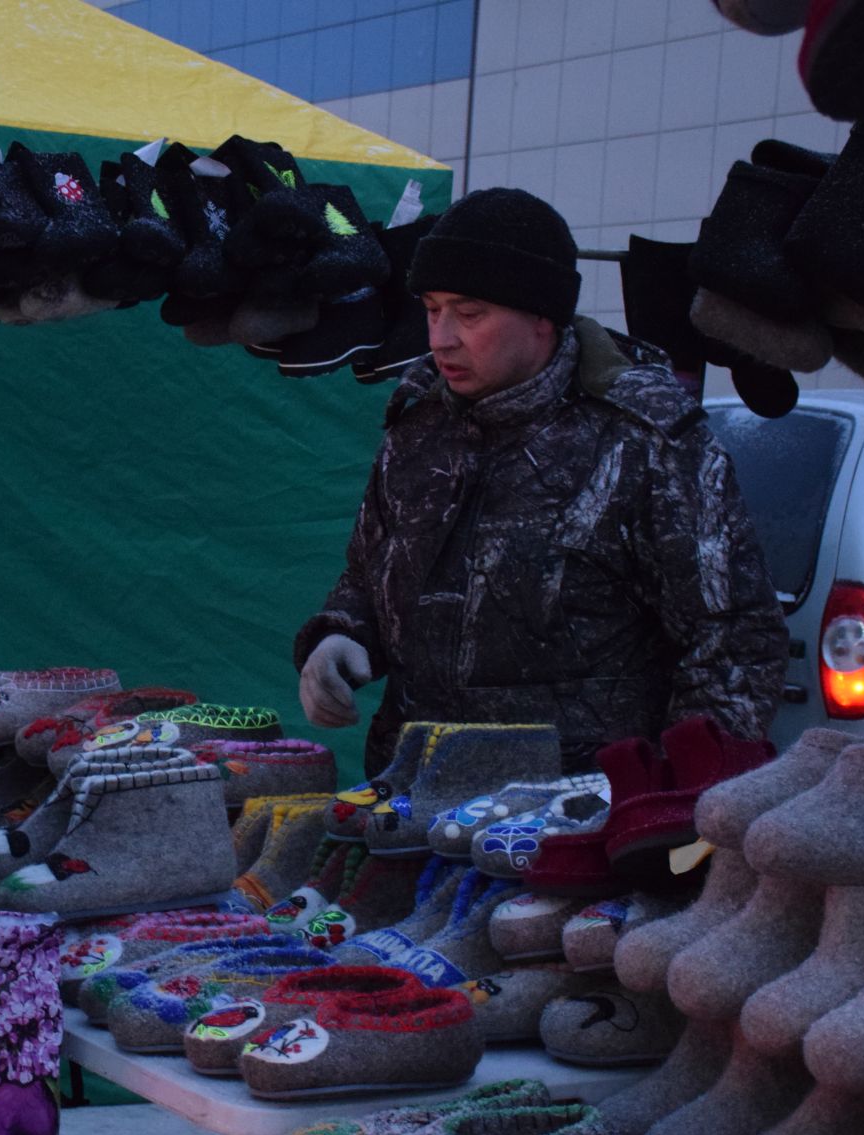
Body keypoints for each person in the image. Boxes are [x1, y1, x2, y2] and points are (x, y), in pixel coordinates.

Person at [296, 188, 789, 775]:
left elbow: (735, 639)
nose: (440, 337)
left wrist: (668, 801)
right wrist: (342, 635)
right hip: (412, 798)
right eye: (431, 308)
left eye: (469, 313)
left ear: (542, 318)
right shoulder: (418, 423)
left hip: (577, 821)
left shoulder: (643, 437)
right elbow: (367, 571)